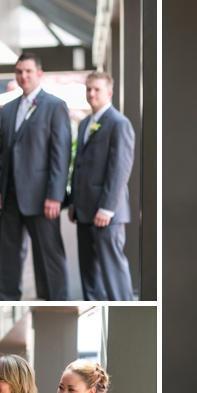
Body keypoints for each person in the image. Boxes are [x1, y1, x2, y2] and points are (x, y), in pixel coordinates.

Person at [0, 53, 72, 301]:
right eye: (19, 72)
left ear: (39, 74)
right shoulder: (8, 108)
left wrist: (55, 195)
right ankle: (8, 301)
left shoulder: (55, 105)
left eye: (27, 71)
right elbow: (0, 152)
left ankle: (56, 301)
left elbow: (61, 153)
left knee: (49, 255)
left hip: (42, 197)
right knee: (9, 256)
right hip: (9, 195)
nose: (23, 76)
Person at [68, 71, 136, 301]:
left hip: (107, 213)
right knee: (89, 274)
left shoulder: (119, 123)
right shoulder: (85, 123)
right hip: (83, 210)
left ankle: (124, 310)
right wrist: (74, 203)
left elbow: (120, 169)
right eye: (88, 89)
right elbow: (79, 166)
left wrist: (107, 208)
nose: (91, 93)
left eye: (96, 89)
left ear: (109, 93)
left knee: (113, 272)